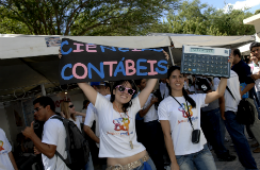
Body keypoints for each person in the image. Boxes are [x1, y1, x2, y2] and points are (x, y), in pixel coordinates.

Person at [159, 66, 227, 170]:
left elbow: (219, 93)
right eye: (174, 77)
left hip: (202, 149)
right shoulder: (164, 105)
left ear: (184, 79)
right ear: (167, 80)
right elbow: (166, 135)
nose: (178, 80)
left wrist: (225, 71)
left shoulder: (195, 98)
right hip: (181, 154)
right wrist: (173, 162)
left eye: (180, 76)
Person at [214, 53, 259, 170]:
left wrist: (222, 114)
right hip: (238, 107)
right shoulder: (233, 73)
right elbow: (239, 89)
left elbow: (221, 98)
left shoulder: (217, 78)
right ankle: (248, 165)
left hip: (229, 111)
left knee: (240, 141)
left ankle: (251, 167)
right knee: (240, 139)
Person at [194, 76, 235, 161]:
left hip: (206, 109)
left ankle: (219, 152)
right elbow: (209, 93)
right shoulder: (202, 79)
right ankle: (222, 153)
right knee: (219, 133)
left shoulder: (197, 80)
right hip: (212, 109)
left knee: (214, 134)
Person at [22, 96, 70, 170]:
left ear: (47, 108)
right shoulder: (59, 119)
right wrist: (41, 148)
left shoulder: (50, 123)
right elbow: (56, 144)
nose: (35, 113)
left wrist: (31, 135)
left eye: (37, 109)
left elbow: (50, 153)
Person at [231, 49, 260, 153]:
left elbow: (251, 83)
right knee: (249, 122)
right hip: (242, 99)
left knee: (253, 121)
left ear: (237, 55)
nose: (229, 57)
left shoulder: (244, 67)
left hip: (247, 99)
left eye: (231, 55)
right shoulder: (234, 67)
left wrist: (241, 93)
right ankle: (258, 140)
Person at [135, 79, 164, 170]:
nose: (146, 83)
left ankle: (162, 166)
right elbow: (141, 114)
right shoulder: (139, 97)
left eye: (146, 81)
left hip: (158, 121)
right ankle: (159, 167)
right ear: (139, 86)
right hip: (149, 124)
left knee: (161, 146)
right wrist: (151, 103)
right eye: (143, 82)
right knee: (155, 149)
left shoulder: (152, 92)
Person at [84, 81, 111, 170]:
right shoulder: (119, 98)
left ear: (94, 88)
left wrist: (100, 141)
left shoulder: (92, 105)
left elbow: (86, 128)